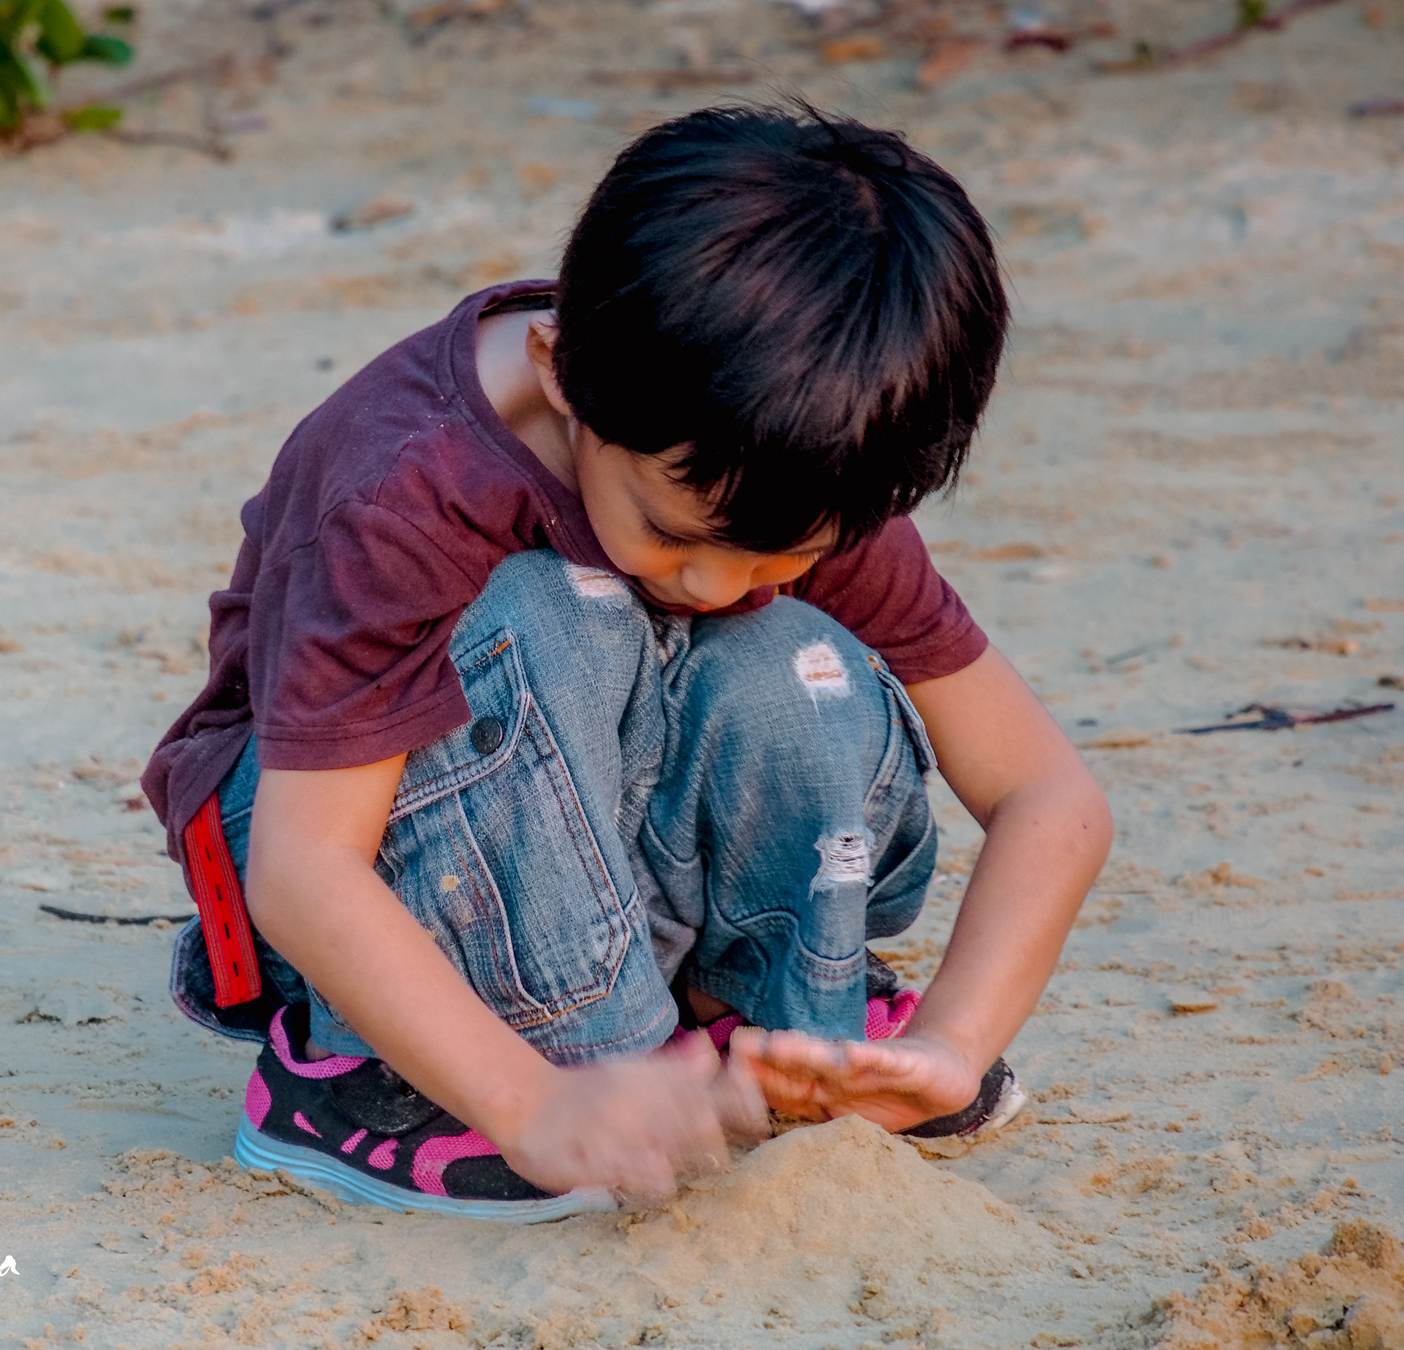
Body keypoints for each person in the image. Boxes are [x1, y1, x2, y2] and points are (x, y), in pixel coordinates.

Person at [142, 101, 1112, 1222]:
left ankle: (746, 1014)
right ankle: (362, 1082)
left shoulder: (785, 463)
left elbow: (1050, 796)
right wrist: (536, 1111)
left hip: (582, 806)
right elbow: (306, 872)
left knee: (793, 651)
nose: (713, 581)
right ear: (560, 374)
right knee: (562, 607)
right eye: (676, 533)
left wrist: (955, 1042)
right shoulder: (407, 489)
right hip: (319, 842)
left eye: (784, 549)